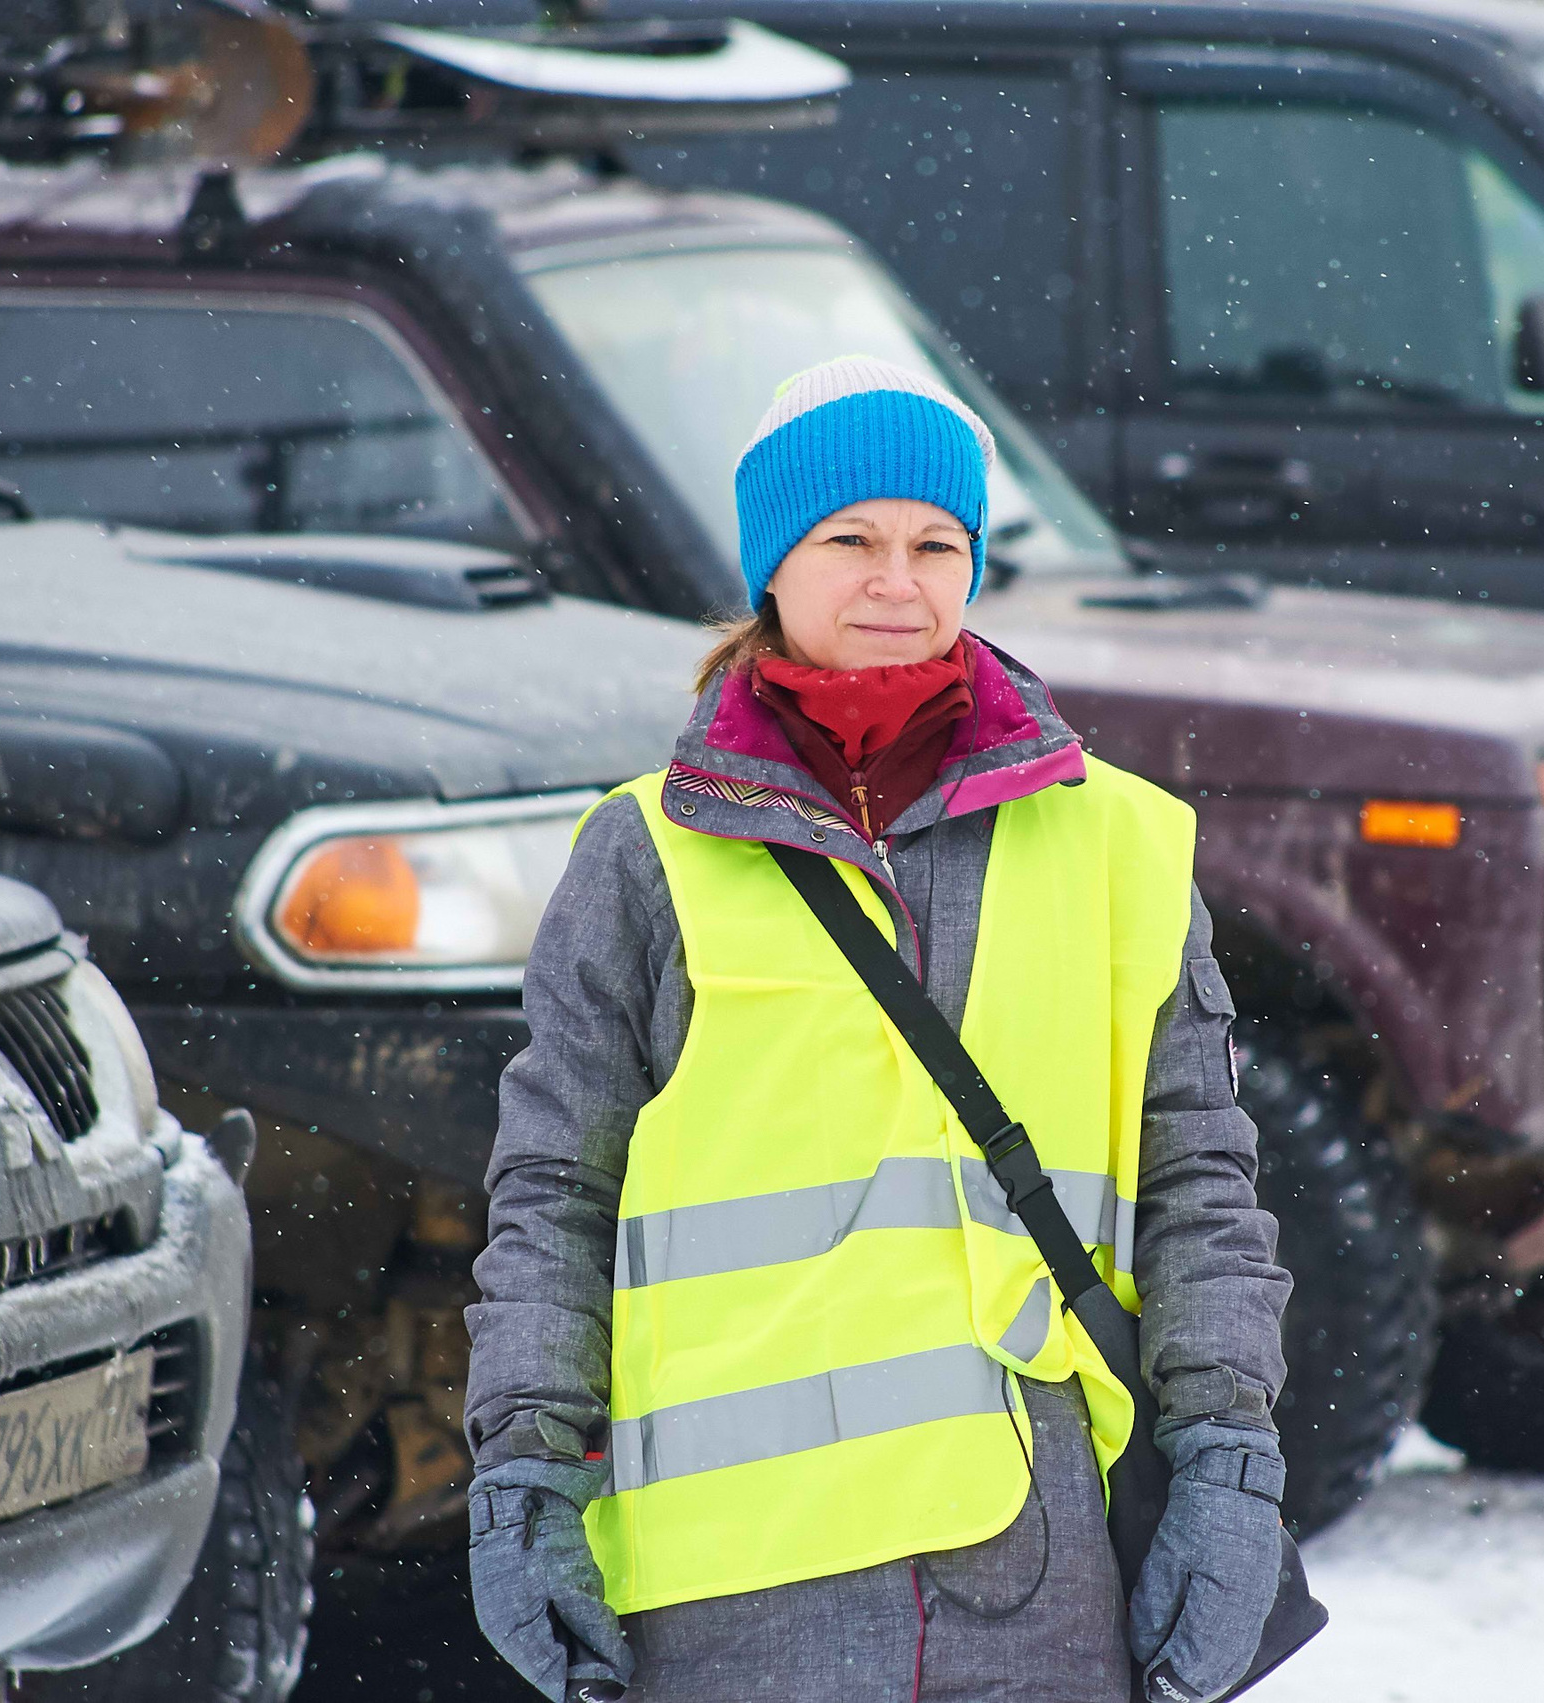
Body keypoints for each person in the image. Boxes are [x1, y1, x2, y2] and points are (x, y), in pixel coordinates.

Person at [464, 356, 1294, 1703]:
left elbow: (1200, 1182)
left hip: (1042, 1567)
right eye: (848, 539)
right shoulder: (644, 857)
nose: (894, 580)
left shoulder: (1122, 843)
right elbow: (554, 1194)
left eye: (935, 544)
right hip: (739, 1585)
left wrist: (1228, 1459)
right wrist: (522, 1472)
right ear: (773, 569)